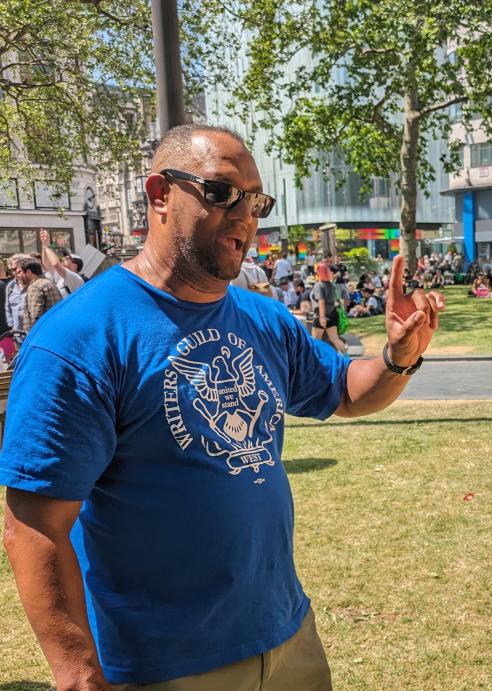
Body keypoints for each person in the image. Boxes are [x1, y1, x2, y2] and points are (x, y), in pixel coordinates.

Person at [0, 123, 445, 691]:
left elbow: (346, 392)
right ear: (160, 194)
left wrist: (397, 358)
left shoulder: (262, 318)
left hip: (287, 638)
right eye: (220, 193)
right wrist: (78, 675)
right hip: (164, 665)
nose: (244, 215)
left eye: (257, 200)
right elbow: (34, 527)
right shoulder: (80, 339)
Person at [16, 257, 63, 333]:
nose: (19, 276)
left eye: (21, 273)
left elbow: (35, 316)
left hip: (42, 335)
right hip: (56, 331)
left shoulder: (35, 287)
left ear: (28, 272)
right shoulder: (49, 283)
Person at [310, 262, 347, 353]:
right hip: (332, 314)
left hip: (321, 315)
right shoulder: (331, 285)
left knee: (315, 341)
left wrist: (322, 318)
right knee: (335, 339)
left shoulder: (319, 285)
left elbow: (321, 301)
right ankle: (346, 357)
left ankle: (317, 361)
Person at [39, 229, 85, 297]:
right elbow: (47, 264)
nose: (64, 258)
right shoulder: (61, 277)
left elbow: (56, 264)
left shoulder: (76, 278)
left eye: (67, 258)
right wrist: (44, 244)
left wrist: (47, 246)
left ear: (74, 265)